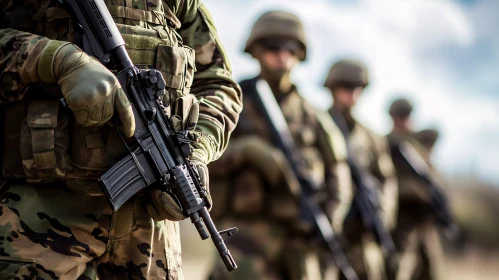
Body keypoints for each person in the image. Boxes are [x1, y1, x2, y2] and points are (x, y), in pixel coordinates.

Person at [0, 0, 242, 279]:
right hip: (37, 224)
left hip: (151, 236)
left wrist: (197, 148)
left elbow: (218, 84)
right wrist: (53, 59)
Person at [208, 11, 353, 280]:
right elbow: (201, 157)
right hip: (246, 235)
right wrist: (247, 151)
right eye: (272, 47)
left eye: (290, 49)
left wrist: (329, 219)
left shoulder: (314, 116)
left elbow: (339, 172)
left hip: (301, 237)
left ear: (300, 54)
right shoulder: (232, 104)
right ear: (256, 51)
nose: (282, 55)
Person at [324, 59, 398, 280]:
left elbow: (387, 180)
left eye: (357, 88)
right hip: (326, 230)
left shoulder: (371, 137)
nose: (352, 95)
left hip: (362, 236)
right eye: (346, 87)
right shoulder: (317, 123)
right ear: (333, 88)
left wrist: (381, 214)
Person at [387, 99, 445, 280]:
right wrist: (413, 192)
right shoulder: (387, 143)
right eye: (400, 116)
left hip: (424, 221)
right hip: (403, 218)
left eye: (407, 116)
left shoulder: (417, 144)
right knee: (401, 268)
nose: (404, 121)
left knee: (430, 270)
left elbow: (429, 175)